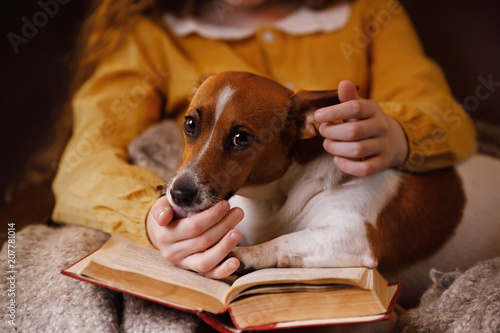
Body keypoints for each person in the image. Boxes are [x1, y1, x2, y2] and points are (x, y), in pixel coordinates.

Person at [52, 0, 476, 279]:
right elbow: (79, 168)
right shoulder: (148, 38)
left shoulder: (369, 11)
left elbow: (450, 117)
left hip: (354, 188)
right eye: (192, 125)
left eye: (238, 139)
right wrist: (149, 219)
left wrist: (399, 134)